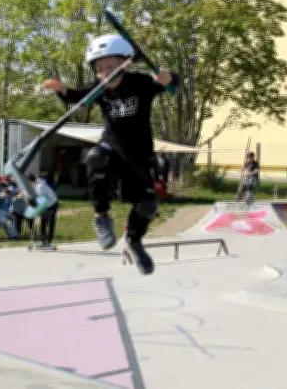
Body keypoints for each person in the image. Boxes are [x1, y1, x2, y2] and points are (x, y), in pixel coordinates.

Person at [42, 34, 177, 275]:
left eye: (111, 67)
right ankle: (101, 216)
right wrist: (61, 89)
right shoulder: (99, 89)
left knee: (147, 204)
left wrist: (168, 78)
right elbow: (77, 98)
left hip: (138, 157)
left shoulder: (141, 83)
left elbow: (171, 85)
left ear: (126, 63)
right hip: (111, 150)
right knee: (94, 156)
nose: (106, 73)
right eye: (100, 69)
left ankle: (135, 241)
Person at [27, 173, 58, 248]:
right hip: (46, 205)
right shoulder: (36, 185)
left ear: (31, 181)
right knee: (43, 223)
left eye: (28, 182)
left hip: (52, 205)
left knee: (50, 223)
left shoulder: (40, 186)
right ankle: (43, 241)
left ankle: (49, 242)